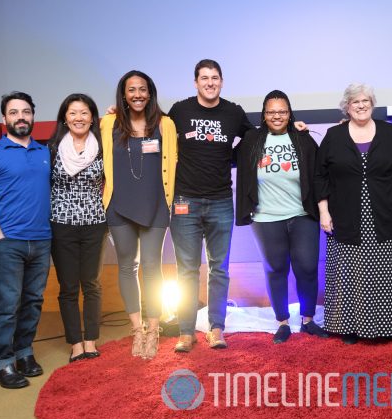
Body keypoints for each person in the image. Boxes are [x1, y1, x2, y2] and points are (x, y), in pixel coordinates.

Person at [315, 83, 392, 344]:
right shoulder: (334, 136)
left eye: (366, 101)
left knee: (386, 274)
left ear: (372, 104)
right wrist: (324, 212)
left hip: (387, 215)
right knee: (350, 274)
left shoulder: (389, 132)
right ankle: (349, 327)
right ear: (347, 107)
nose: (361, 105)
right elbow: (320, 177)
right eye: (355, 102)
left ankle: (388, 326)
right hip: (345, 217)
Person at [167, 59, 255, 352]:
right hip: (185, 201)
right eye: (204, 78)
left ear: (221, 81)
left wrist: (294, 125)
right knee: (187, 270)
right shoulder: (180, 110)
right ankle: (185, 331)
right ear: (195, 82)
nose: (209, 83)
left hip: (220, 201)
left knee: (220, 269)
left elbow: (256, 138)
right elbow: (156, 133)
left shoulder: (233, 112)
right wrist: (119, 114)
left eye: (214, 78)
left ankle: (216, 328)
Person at [235, 90, 328, 344]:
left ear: (290, 114)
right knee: (276, 269)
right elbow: (230, 159)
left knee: (307, 268)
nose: (277, 116)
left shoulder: (303, 139)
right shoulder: (251, 140)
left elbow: (321, 171)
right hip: (265, 218)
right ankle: (282, 322)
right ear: (264, 115)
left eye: (282, 111)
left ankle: (308, 320)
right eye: (271, 112)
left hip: (302, 215)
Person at [0, 92, 51, 389]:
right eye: (14, 112)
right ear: (4, 119)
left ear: (33, 116)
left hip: (42, 241)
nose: (21, 117)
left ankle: (24, 354)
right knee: (7, 305)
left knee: (32, 302)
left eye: (26, 111)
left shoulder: (44, 152)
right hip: (8, 243)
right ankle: (1, 364)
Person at [101, 71, 177, 360]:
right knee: (126, 267)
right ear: (123, 94)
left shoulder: (165, 125)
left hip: (156, 204)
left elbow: (176, 161)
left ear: (150, 93)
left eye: (142, 89)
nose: (137, 95)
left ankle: (154, 329)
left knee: (152, 267)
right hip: (119, 205)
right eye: (131, 90)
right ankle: (137, 330)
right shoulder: (108, 123)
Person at [48, 93, 107, 363]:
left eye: (84, 112)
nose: (79, 118)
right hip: (62, 225)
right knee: (69, 287)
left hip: (95, 224)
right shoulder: (52, 148)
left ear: (92, 117)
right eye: (73, 113)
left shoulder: (103, 146)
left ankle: (91, 340)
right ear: (64, 118)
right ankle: (75, 343)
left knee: (92, 284)